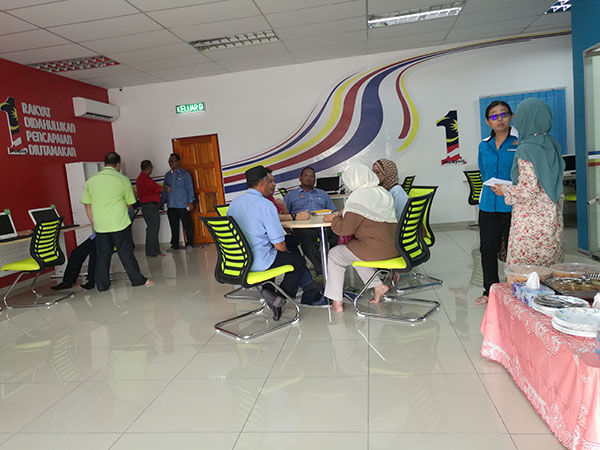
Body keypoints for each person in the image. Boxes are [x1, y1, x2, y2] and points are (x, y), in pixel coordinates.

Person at [492, 97, 564, 268]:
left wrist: (504, 190)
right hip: (552, 221)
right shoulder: (551, 144)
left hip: (530, 227)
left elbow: (528, 190)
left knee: (523, 275)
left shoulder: (526, 149)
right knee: (549, 273)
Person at [228, 166, 307, 320]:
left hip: (238, 260)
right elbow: (279, 244)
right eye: (270, 182)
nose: (273, 185)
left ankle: (269, 292)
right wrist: (286, 253)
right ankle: (279, 299)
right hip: (259, 261)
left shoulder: (234, 203)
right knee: (297, 261)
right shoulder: (266, 205)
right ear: (261, 184)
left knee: (275, 254)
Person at [323, 164, 399, 312]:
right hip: (394, 247)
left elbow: (345, 230)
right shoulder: (382, 192)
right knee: (353, 252)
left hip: (376, 249)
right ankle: (378, 286)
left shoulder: (358, 196)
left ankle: (336, 302)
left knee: (335, 255)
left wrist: (334, 219)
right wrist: (346, 212)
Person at [81, 152, 153, 292]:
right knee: (125, 253)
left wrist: (94, 221)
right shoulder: (122, 180)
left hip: (101, 225)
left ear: (104, 164)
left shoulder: (91, 181)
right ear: (118, 165)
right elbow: (130, 203)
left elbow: (87, 204)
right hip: (120, 223)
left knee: (103, 255)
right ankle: (137, 280)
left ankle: (102, 285)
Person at [475, 100, 518, 306]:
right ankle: (489, 290)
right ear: (488, 121)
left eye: (504, 114)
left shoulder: (520, 143)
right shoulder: (484, 145)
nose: (499, 119)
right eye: (494, 116)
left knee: (514, 251)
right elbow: (483, 172)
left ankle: (516, 289)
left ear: (511, 117)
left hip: (512, 205)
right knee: (487, 250)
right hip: (488, 204)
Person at [283, 166, 338, 276]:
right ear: (300, 178)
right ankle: (323, 270)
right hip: (303, 228)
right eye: (306, 176)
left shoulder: (322, 194)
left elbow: (332, 211)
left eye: (312, 176)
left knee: (337, 236)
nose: (309, 178)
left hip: (323, 225)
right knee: (307, 239)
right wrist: (289, 230)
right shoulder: (290, 196)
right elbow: (285, 215)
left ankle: (334, 264)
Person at [163, 153, 194, 251]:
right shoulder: (167, 175)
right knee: (173, 226)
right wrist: (162, 202)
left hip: (183, 204)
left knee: (187, 225)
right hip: (171, 205)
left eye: (172, 161)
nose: (170, 163)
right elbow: (165, 190)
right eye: (169, 161)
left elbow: (189, 188)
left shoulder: (185, 174)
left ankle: (190, 244)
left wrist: (190, 201)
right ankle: (174, 245)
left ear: (178, 162)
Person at [136, 160, 166, 258]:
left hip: (146, 207)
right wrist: (166, 188)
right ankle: (155, 252)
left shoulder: (140, 178)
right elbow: (159, 189)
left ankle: (149, 251)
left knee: (150, 229)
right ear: (148, 168)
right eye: (151, 167)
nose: (152, 169)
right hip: (150, 207)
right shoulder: (145, 179)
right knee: (153, 229)